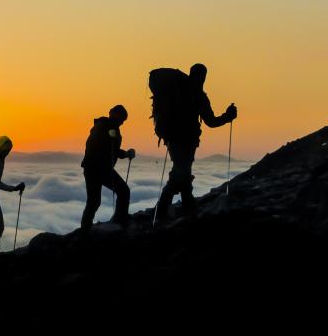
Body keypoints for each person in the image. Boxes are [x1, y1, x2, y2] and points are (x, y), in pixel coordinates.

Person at [155, 63, 237, 221]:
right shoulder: (199, 96)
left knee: (181, 172)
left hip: (177, 140)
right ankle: (172, 209)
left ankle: (181, 207)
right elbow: (211, 121)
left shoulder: (180, 91)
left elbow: (210, 121)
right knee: (182, 172)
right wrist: (228, 116)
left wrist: (227, 116)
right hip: (186, 140)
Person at [80, 105, 136, 230]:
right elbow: (109, 149)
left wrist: (124, 153)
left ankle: (85, 230)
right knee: (123, 191)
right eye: (122, 119)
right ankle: (120, 219)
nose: (122, 123)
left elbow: (110, 149)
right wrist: (125, 154)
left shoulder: (104, 126)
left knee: (94, 201)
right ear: (116, 115)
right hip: (99, 169)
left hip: (93, 168)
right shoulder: (106, 127)